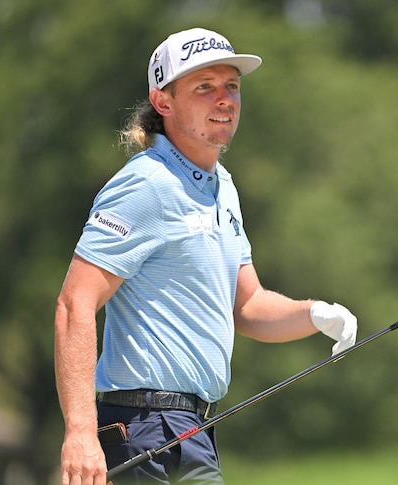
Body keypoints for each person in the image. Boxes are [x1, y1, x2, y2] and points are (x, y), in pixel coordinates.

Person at [54, 27, 358, 484]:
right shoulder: (146, 184)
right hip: (139, 426)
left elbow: (247, 305)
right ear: (163, 102)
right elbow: (74, 305)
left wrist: (314, 314)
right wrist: (80, 432)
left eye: (231, 86)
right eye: (204, 87)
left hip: (192, 429)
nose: (225, 99)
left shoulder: (224, 188)